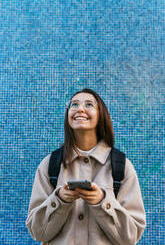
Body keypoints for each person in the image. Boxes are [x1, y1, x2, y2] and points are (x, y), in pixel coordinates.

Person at [26, 88, 146, 245]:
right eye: (74, 104)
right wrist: (59, 200)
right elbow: (37, 232)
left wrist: (102, 202)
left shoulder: (122, 167)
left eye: (89, 104)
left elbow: (131, 236)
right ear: (68, 115)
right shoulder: (49, 164)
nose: (80, 109)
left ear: (101, 115)